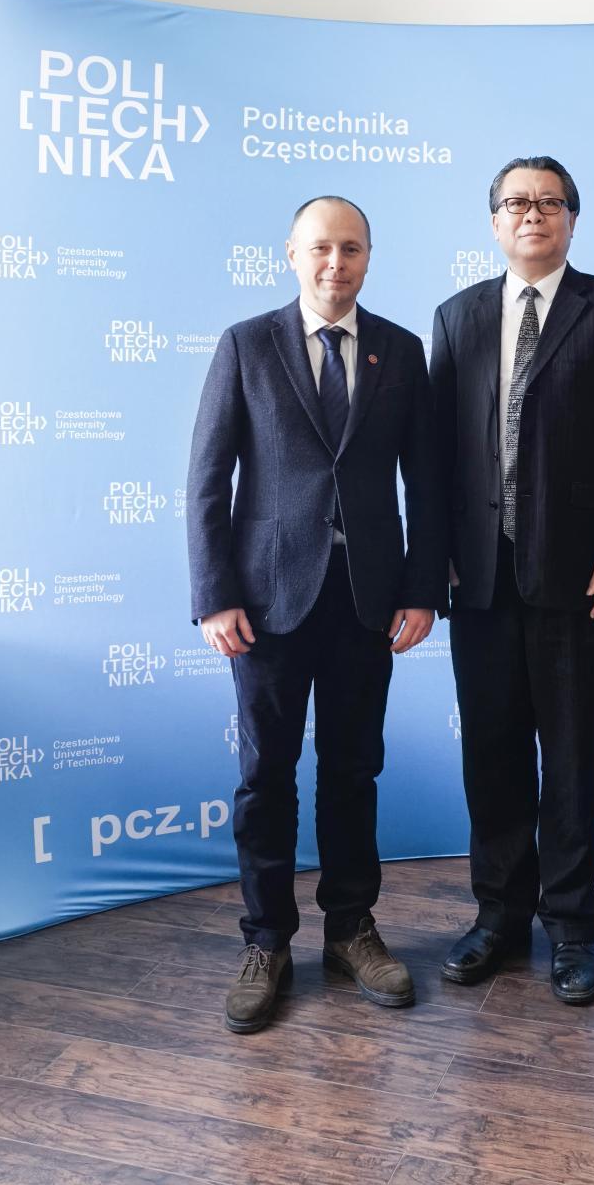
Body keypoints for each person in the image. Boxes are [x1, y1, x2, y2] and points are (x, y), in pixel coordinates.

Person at [187, 195, 447, 1032]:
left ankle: (350, 929)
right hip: (266, 602)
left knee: (352, 770)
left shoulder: (400, 350)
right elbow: (207, 480)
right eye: (322, 248)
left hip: (366, 600)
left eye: (352, 248)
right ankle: (266, 939)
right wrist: (214, 595)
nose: (337, 263)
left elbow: (426, 481)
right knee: (265, 776)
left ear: (369, 257)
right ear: (291, 254)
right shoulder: (245, 344)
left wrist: (421, 588)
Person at [430, 157, 594, 1005]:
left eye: (549, 201)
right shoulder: (456, 316)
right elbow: (438, 452)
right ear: (494, 220)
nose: (533, 213)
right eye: (517, 201)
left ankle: (569, 926)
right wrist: (436, 551)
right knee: (490, 754)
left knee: (571, 757)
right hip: (480, 575)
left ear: (571, 218)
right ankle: (498, 916)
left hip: (579, 576)